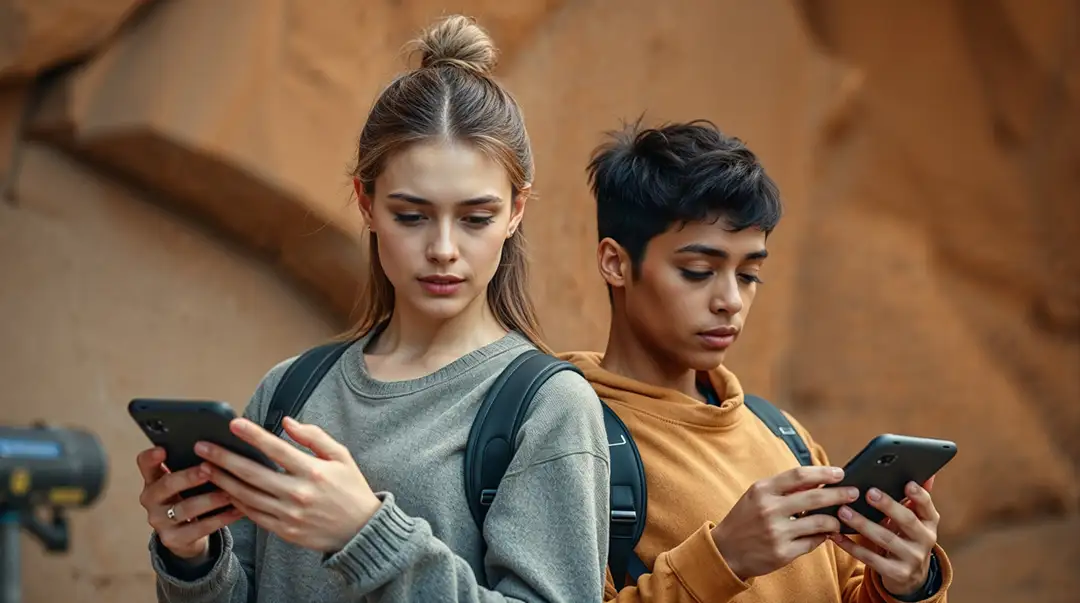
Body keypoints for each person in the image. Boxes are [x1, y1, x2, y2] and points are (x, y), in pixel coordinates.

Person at [135, 15, 610, 603]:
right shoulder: (289, 390)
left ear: (516, 211)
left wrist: (365, 534)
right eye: (411, 215)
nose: (443, 249)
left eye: (476, 218)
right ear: (366, 202)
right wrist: (192, 557)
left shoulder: (550, 408)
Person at [559, 119, 953, 602]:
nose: (730, 301)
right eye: (698, 271)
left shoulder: (783, 434)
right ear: (616, 263)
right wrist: (723, 559)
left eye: (749, 275)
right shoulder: (568, 432)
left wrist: (904, 584)